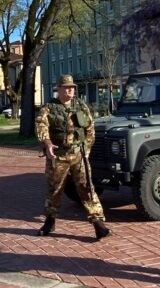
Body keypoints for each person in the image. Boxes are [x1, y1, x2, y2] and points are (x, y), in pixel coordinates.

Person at [35, 74, 112, 240]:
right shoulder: (48, 108)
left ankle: (98, 223)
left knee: (87, 188)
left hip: (79, 154)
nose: (71, 90)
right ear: (59, 89)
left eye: (72, 88)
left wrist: (87, 149)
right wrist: (47, 144)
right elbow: (42, 127)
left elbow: (90, 129)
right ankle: (50, 220)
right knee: (55, 190)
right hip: (58, 156)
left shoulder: (81, 106)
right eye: (67, 87)